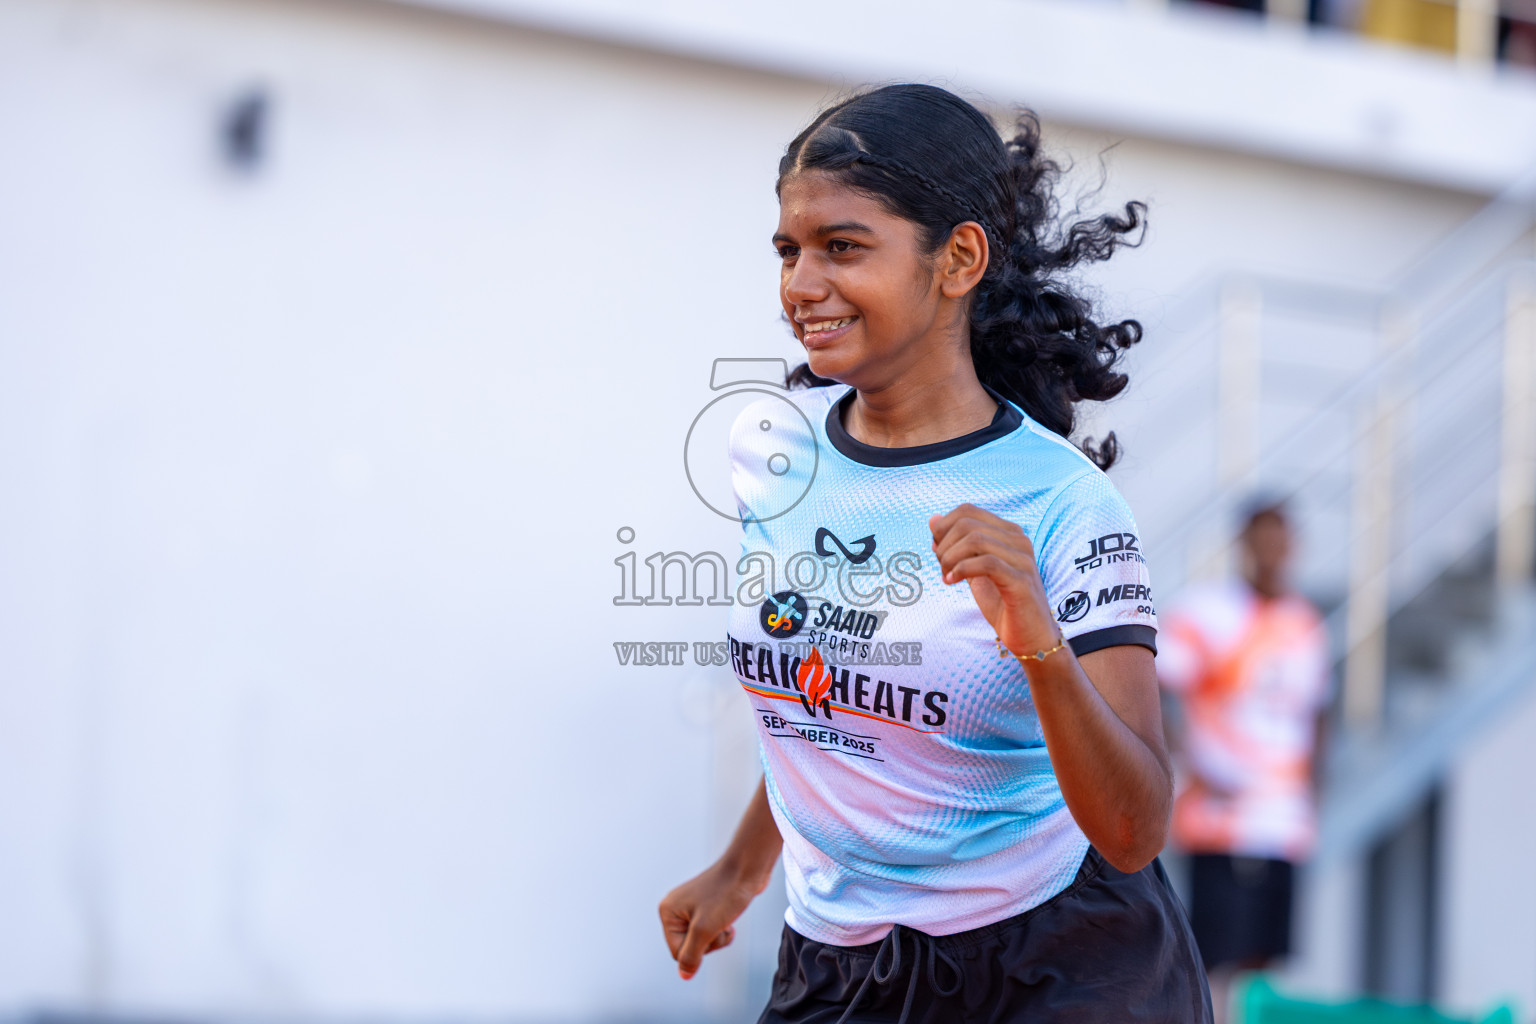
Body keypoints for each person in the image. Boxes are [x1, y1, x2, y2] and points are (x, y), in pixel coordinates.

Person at [656, 84, 1211, 1023]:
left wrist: (1037, 640)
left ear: (958, 259)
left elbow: (1133, 827)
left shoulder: (1063, 504)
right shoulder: (774, 453)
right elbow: (825, 697)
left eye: (842, 247)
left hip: (1057, 962)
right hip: (839, 964)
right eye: (789, 251)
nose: (800, 284)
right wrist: (742, 870)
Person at [1156, 500, 1331, 1022]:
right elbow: (1150, 687)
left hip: (1283, 820)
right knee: (1213, 956)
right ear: (1244, 545)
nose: (1274, 553)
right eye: (1264, 540)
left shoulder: (1303, 622)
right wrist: (1193, 762)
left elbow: (1318, 708)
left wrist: (1314, 788)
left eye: (1283, 540)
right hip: (1223, 821)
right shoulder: (1207, 614)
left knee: (1264, 961)